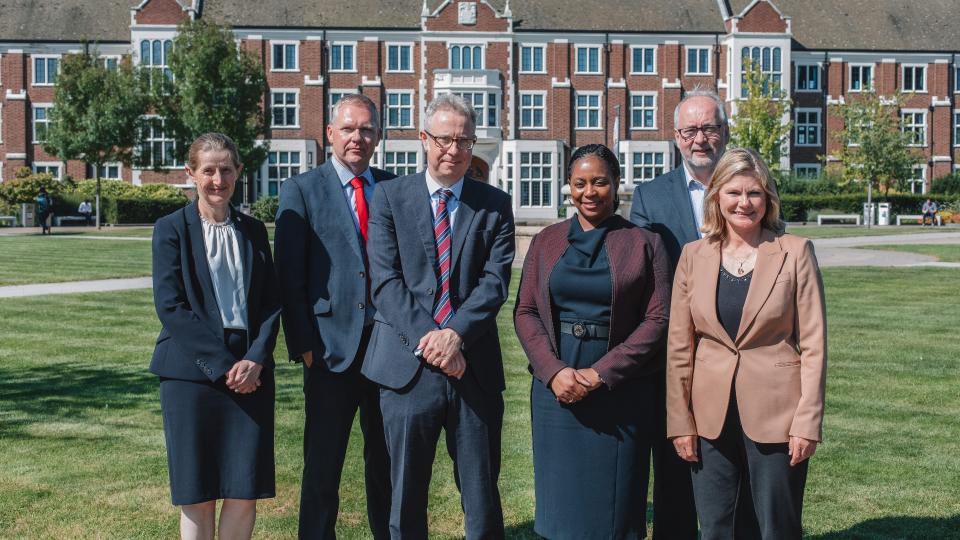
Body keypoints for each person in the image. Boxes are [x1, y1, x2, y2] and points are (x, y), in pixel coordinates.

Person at [362, 93, 515, 539]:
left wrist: (456, 337)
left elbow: (495, 283)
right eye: (445, 139)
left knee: (482, 494)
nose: (454, 150)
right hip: (407, 370)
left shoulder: (495, 204)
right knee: (405, 493)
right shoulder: (390, 197)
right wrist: (434, 339)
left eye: (464, 141)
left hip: (473, 369)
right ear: (424, 139)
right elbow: (386, 281)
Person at [667, 148, 827, 539]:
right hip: (709, 417)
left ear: (768, 199)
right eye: (734, 192)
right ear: (716, 197)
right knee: (716, 527)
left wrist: (807, 422)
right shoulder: (693, 256)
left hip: (778, 415)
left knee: (777, 527)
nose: (744, 203)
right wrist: (679, 422)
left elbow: (814, 344)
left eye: (754, 193)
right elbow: (679, 348)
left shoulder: (795, 252)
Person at [514, 144, 670, 539]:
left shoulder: (644, 243)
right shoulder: (546, 241)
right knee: (560, 506)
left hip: (621, 387)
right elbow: (526, 311)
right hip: (556, 388)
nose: (589, 191)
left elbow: (659, 318)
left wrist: (601, 373)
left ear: (616, 185)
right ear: (568, 186)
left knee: (616, 511)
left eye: (600, 181)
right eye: (580, 182)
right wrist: (553, 372)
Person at [274, 93, 394, 539]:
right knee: (323, 466)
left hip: (386, 351)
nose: (357, 138)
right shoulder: (301, 190)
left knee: (385, 462)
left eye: (366, 129)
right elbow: (289, 276)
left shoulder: (393, 186)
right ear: (330, 134)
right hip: (328, 352)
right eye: (348, 128)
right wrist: (303, 345)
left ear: (377, 136)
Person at [151, 133, 281, 540]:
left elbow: (271, 304)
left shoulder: (254, 231)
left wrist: (256, 359)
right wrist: (227, 366)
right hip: (192, 377)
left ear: (239, 172)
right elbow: (171, 308)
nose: (217, 179)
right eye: (208, 170)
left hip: (253, 376)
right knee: (199, 493)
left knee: (244, 491)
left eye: (226, 169)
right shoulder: (170, 229)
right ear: (191, 174)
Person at [628, 87, 730, 538]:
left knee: (731, 465)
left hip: (735, 349)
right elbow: (641, 278)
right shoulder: (651, 197)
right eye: (690, 130)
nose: (699, 138)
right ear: (675, 137)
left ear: (724, 132)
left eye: (708, 128)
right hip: (675, 354)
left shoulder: (747, 187)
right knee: (673, 471)